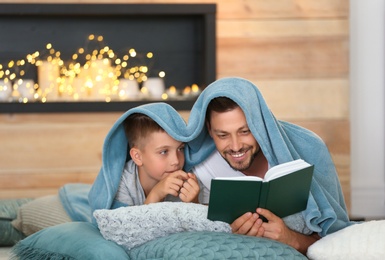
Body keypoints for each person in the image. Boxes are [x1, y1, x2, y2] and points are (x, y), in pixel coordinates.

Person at [183, 77, 354, 255]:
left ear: (259, 124)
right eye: (223, 135)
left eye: (245, 131)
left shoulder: (309, 147)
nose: (235, 146)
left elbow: (337, 238)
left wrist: (290, 238)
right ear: (209, 129)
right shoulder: (200, 166)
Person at [114, 112, 199, 206]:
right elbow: (124, 221)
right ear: (137, 157)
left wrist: (194, 202)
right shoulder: (121, 183)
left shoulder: (187, 181)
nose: (176, 161)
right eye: (163, 152)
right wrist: (156, 195)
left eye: (180, 149)